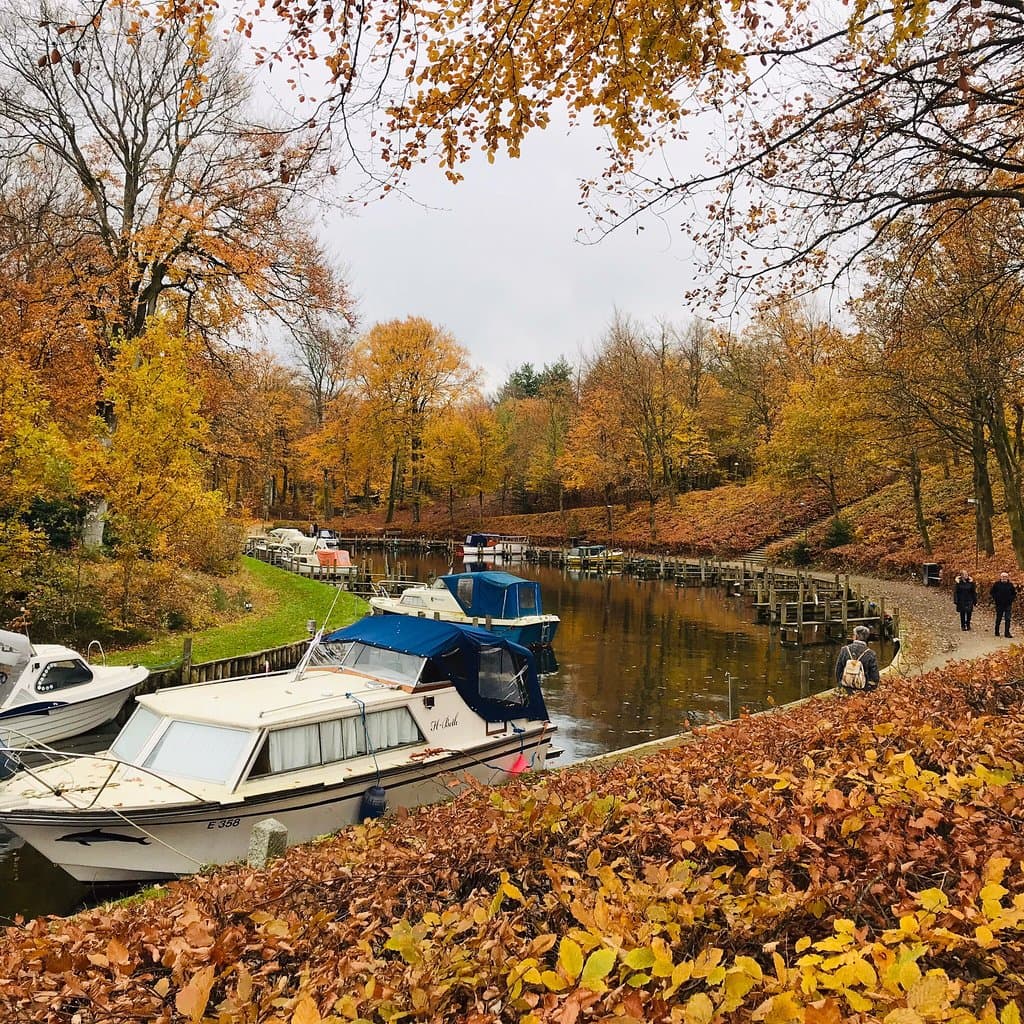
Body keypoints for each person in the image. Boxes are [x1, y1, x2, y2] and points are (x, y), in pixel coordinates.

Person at [834, 625, 880, 692]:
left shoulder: (844, 649)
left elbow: (838, 670)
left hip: (846, 686)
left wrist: (840, 684)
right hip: (863, 688)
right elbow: (875, 676)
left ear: (855, 636)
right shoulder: (871, 653)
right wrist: (870, 688)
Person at [990, 571, 1017, 638]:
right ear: (1001, 577)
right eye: (1003, 577)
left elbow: (1014, 593)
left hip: (1008, 604)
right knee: (999, 618)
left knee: (1008, 619)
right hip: (999, 604)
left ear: (1007, 578)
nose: (1004, 578)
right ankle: (996, 631)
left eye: (1006, 577)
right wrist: (996, 598)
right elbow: (992, 592)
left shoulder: (1010, 585)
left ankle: (1007, 633)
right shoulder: (997, 584)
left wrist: (1011, 599)